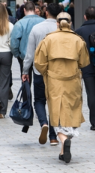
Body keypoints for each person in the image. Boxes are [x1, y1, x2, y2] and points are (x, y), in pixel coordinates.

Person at [34, 12, 90, 163]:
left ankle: (64, 141)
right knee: (71, 112)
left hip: (54, 80)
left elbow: (39, 63)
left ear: (57, 23)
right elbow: (84, 62)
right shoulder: (78, 40)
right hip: (72, 80)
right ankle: (63, 148)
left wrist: (48, 72)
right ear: (70, 23)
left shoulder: (49, 39)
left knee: (56, 113)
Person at [22, 3, 64, 146]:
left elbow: (30, 53)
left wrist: (25, 71)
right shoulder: (63, 29)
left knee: (39, 100)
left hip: (39, 70)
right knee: (54, 102)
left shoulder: (36, 29)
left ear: (46, 13)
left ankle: (44, 123)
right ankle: (53, 136)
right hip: (57, 72)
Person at [10, 2, 44, 89]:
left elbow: (14, 42)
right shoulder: (43, 21)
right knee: (40, 84)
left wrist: (17, 55)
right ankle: (39, 101)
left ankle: (26, 101)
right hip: (41, 57)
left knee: (25, 81)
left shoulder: (19, 23)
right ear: (34, 10)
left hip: (24, 56)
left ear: (24, 10)